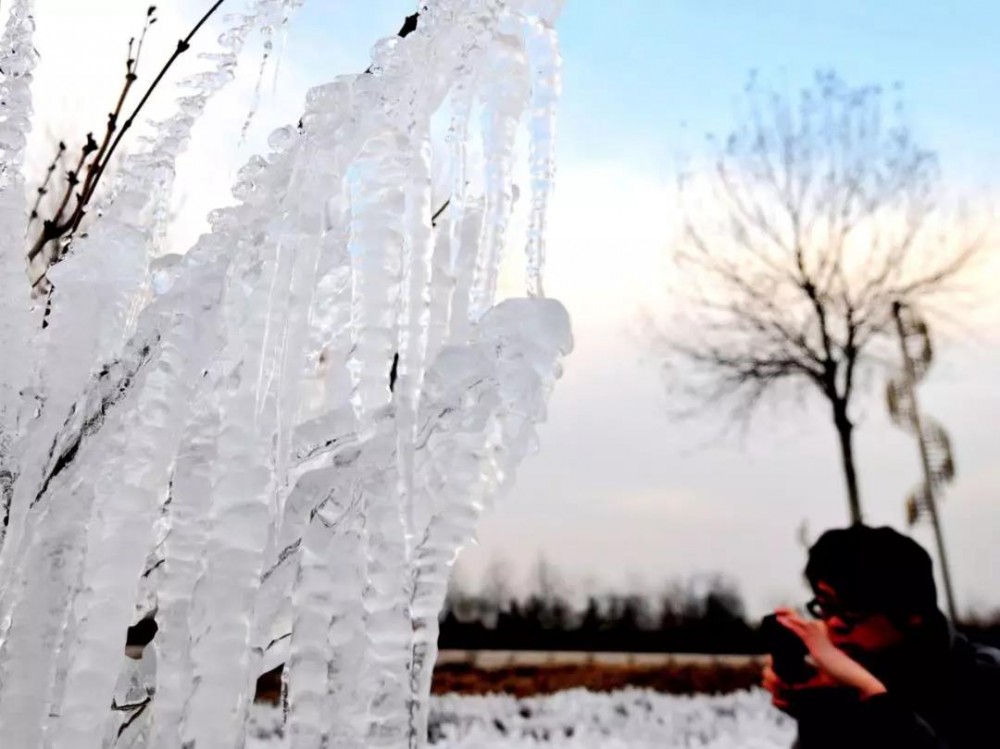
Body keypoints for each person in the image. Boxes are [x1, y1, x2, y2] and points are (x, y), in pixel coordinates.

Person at [763, 524, 1000, 749]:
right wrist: (823, 714)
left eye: (852, 607)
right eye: (826, 606)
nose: (834, 623)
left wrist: (876, 702)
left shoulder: (984, 682)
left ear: (910, 610)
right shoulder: (851, 686)